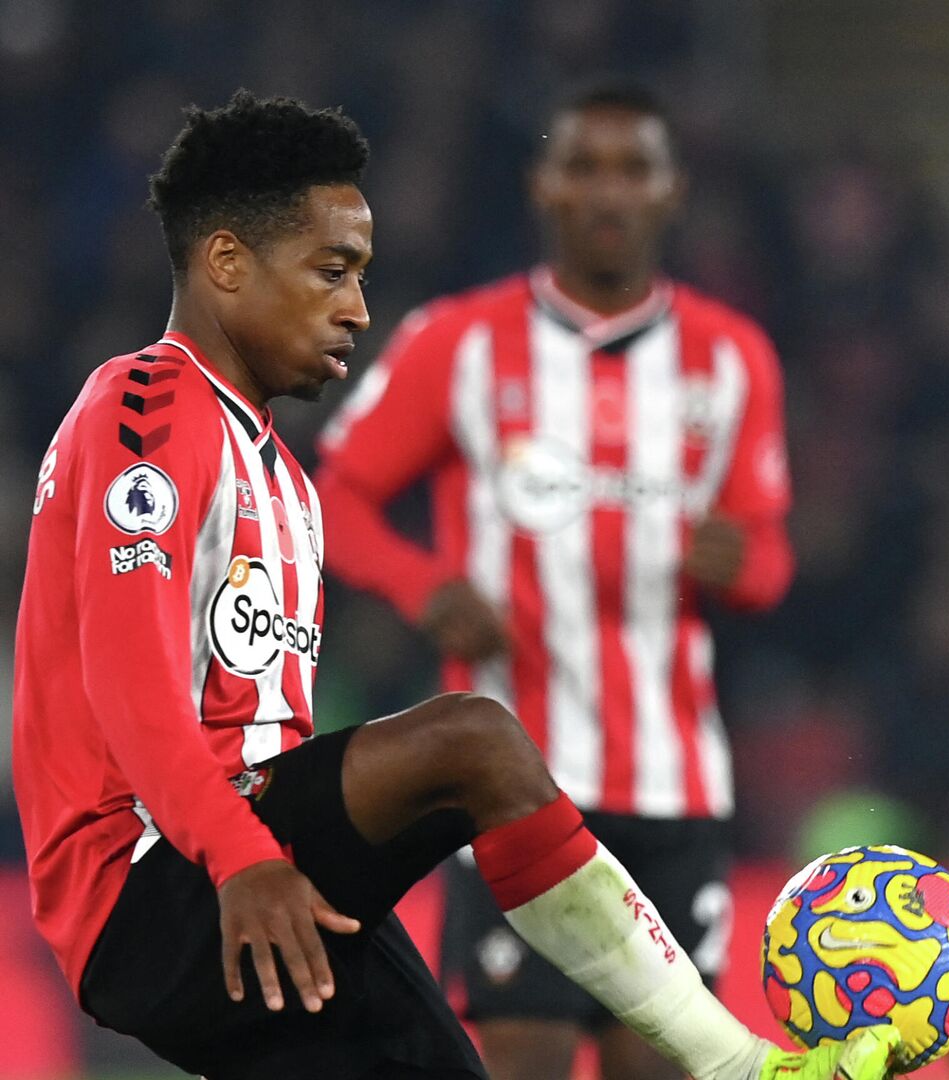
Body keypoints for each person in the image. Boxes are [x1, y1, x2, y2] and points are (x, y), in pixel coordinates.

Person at [10, 89, 891, 1080]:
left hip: (256, 862)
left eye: (364, 276)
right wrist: (244, 857)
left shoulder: (279, 473)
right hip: (153, 878)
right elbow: (131, 686)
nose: (358, 307)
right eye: (332, 272)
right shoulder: (146, 404)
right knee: (472, 742)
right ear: (226, 263)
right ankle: (743, 1066)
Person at [313, 80, 791, 1080]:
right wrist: (420, 584)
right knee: (519, 1061)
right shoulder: (462, 343)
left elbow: (770, 554)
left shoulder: (731, 358)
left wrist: (745, 570)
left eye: (633, 169)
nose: (608, 192)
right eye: (585, 166)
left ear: (672, 190)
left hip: (673, 789)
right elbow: (339, 495)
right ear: (545, 186)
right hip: (511, 784)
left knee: (660, 1066)